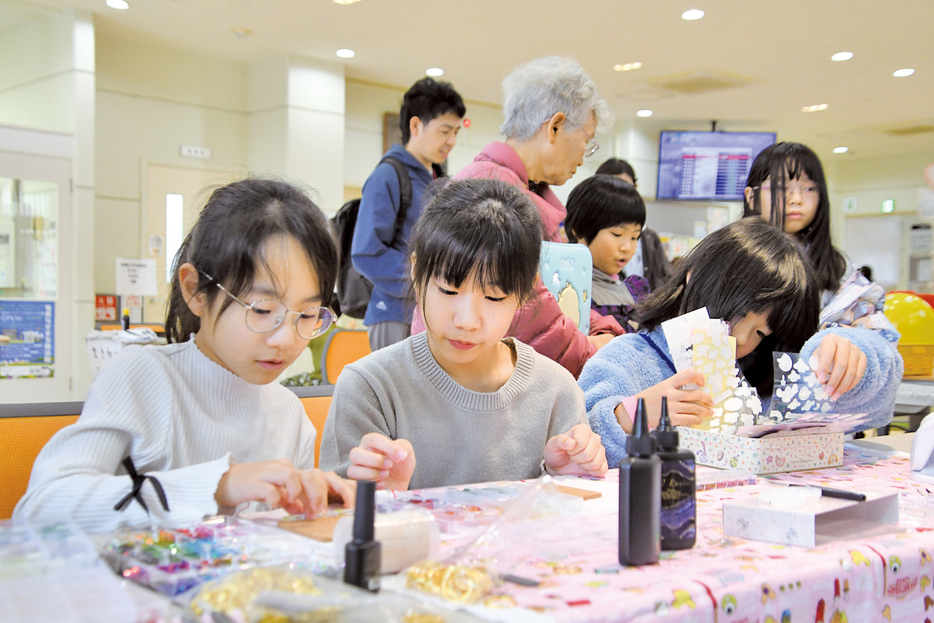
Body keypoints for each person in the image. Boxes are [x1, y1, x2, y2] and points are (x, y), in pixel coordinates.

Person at [15, 179, 356, 532]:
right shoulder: (142, 378)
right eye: (262, 309)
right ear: (195, 290)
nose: (286, 339)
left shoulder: (288, 413)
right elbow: (40, 507)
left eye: (308, 314)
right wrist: (218, 486)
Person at [320, 179, 608, 490]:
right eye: (448, 290)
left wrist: (566, 481)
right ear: (417, 272)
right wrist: (377, 497)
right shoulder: (370, 388)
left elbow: (570, 524)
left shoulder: (556, 391)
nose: (467, 321)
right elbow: (335, 517)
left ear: (527, 290)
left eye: (494, 298)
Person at [578, 219, 902, 468]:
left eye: (761, 332)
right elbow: (573, 442)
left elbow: (873, 410)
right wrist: (629, 416)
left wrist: (856, 353)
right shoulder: (628, 358)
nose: (741, 340)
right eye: (736, 316)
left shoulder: (764, 378)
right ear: (695, 279)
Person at [443, 56, 622, 378]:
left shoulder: (515, 188)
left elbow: (559, 292)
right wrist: (592, 349)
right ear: (554, 126)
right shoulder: (491, 193)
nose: (585, 154)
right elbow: (525, 309)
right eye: (587, 140)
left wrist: (599, 329)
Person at [743, 142, 902, 415]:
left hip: (817, 423)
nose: (797, 199)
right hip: (732, 417)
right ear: (751, 196)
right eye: (782, 188)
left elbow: (880, 346)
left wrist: (851, 346)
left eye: (809, 188)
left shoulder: (841, 275)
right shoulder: (727, 262)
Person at [352, 77, 466, 351]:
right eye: (444, 131)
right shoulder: (387, 176)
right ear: (416, 125)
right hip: (394, 314)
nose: (451, 141)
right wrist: (425, 281)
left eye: (456, 133)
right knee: (395, 394)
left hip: (429, 311)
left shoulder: (435, 178)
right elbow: (366, 253)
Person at [564, 174, 649, 332]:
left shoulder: (635, 289)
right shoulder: (566, 293)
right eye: (617, 234)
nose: (627, 247)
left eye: (634, 237)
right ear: (580, 229)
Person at [595, 158, 672, 290]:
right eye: (612, 190)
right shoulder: (592, 235)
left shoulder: (649, 237)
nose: (621, 197)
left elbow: (667, 279)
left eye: (626, 189)